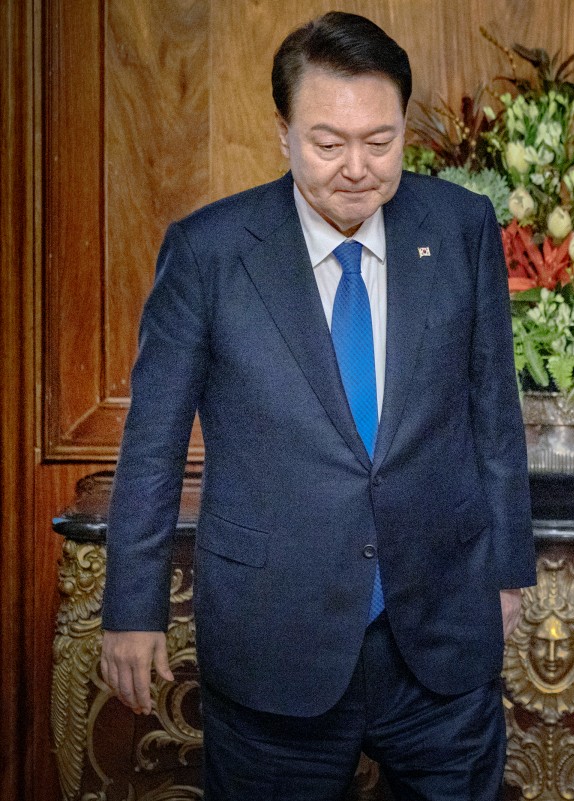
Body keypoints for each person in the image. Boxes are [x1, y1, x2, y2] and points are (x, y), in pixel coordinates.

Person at [99, 12, 535, 800]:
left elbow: (493, 417)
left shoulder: (460, 227)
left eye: (382, 140)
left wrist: (505, 574)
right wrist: (134, 607)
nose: (358, 168)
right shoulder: (209, 251)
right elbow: (152, 443)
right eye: (328, 143)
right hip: (275, 639)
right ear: (284, 132)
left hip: (439, 634)